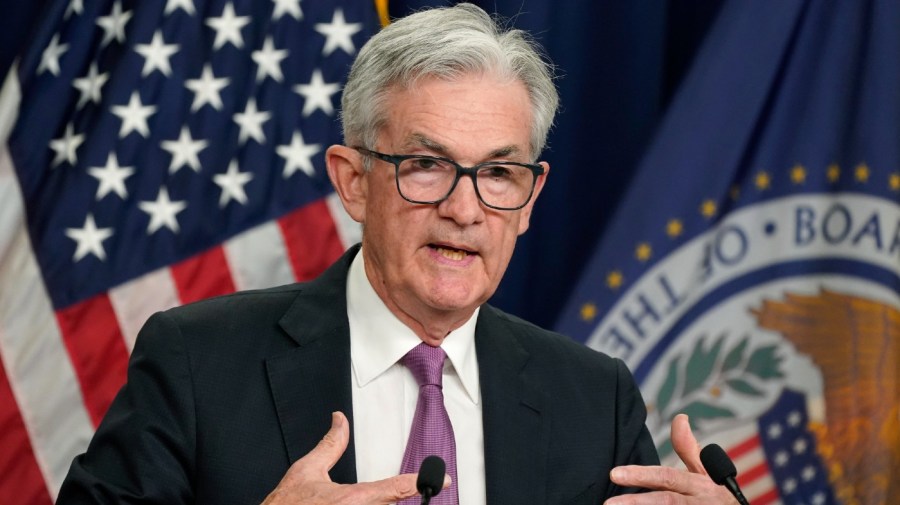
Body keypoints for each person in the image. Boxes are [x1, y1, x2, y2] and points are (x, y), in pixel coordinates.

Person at [58, 4, 735, 504]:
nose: (465, 209)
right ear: (354, 181)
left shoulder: (593, 397)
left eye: (499, 174)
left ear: (530, 198)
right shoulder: (196, 363)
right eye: (426, 164)